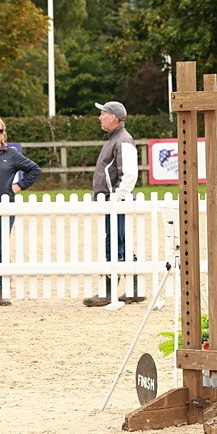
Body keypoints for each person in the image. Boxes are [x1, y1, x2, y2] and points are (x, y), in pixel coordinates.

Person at [85, 101, 139, 307]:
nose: (100, 117)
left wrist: (116, 198)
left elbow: (130, 174)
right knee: (119, 242)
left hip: (115, 202)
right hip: (111, 201)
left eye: (103, 114)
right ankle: (134, 289)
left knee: (115, 244)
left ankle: (109, 292)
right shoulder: (116, 139)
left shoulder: (123, 140)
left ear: (113, 117)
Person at [0, 117, 42, 305]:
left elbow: (34, 170)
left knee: (1, 247)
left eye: (0, 131)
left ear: (4, 133)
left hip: (4, 207)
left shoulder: (11, 154)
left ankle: (2, 289)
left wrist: (18, 186)